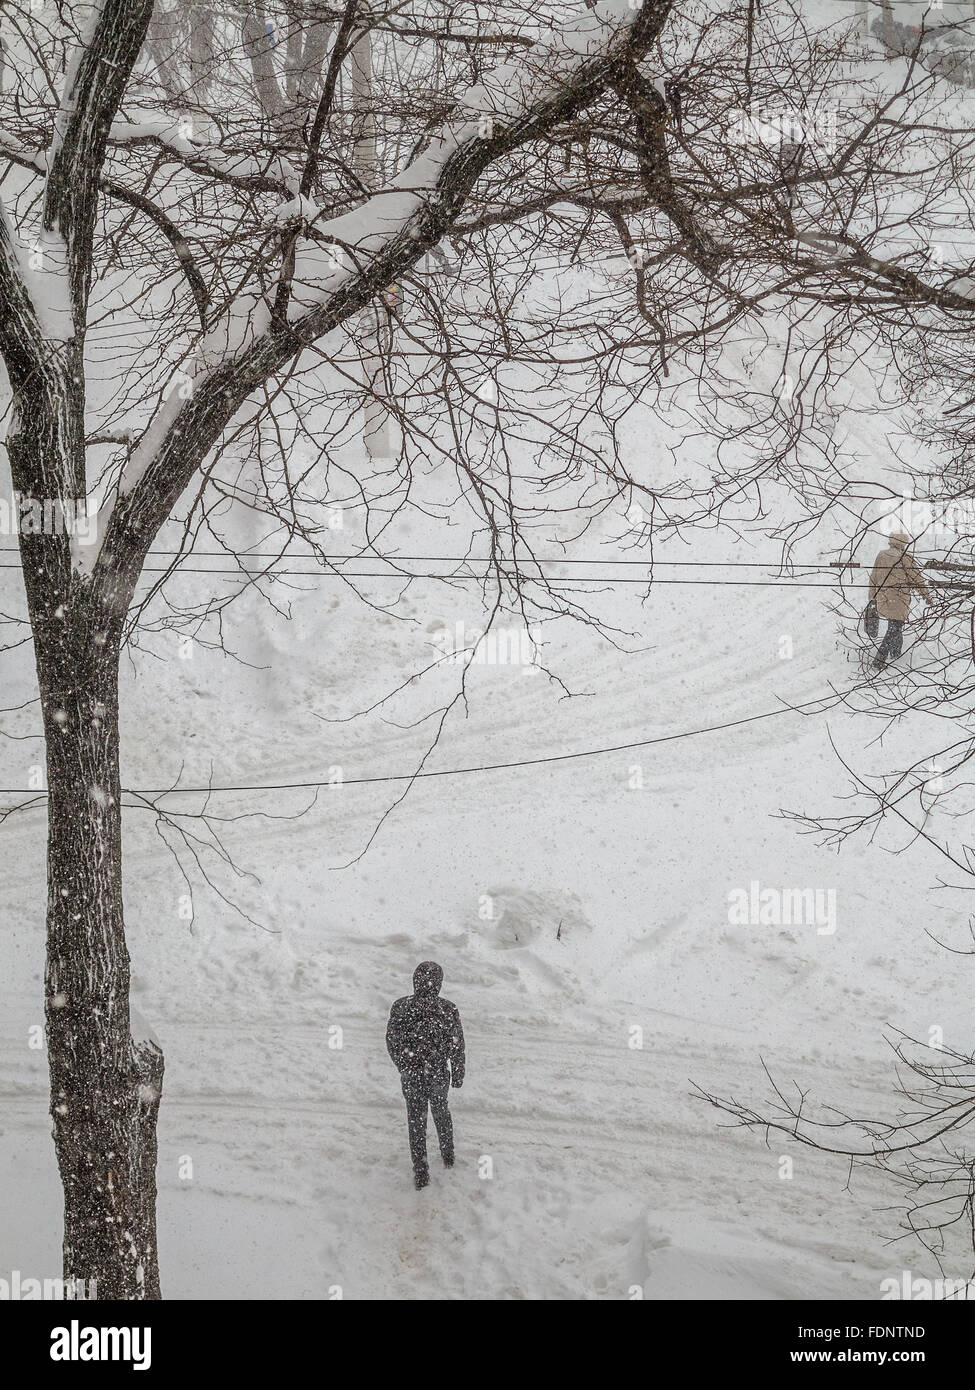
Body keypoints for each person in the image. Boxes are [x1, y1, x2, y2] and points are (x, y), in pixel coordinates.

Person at [386, 962, 465, 1189]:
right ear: (439, 983)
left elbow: (393, 1042)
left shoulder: (401, 1006)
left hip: (413, 1074)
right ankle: (447, 1153)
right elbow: (457, 1044)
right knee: (441, 1112)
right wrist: (458, 1072)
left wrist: (404, 1064)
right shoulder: (447, 1009)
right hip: (438, 1072)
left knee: (416, 1120)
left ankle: (421, 1170)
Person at [868, 531, 931, 670]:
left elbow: (873, 577)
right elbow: (917, 579)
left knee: (895, 625)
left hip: (883, 598)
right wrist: (926, 595)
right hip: (899, 600)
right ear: (903, 544)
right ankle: (879, 660)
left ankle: (896, 652)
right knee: (894, 627)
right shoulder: (906, 558)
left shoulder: (881, 555)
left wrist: (872, 598)